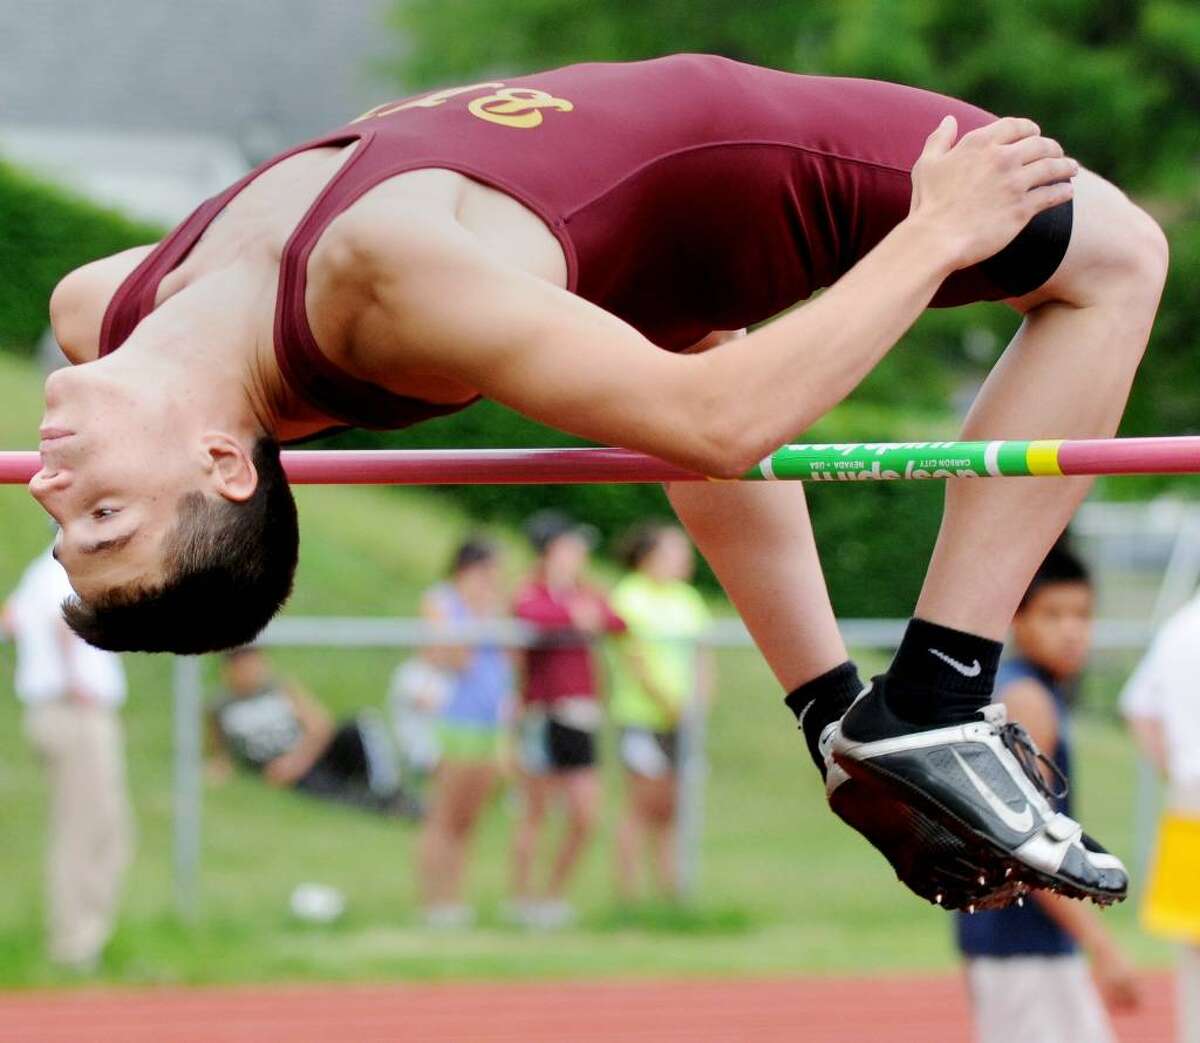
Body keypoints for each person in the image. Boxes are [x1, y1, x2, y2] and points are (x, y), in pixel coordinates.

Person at [34, 55, 1166, 909]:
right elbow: (721, 428)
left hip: (585, 215)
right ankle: (940, 696)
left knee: (680, 347)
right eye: (105, 515)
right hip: (721, 159)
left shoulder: (105, 307)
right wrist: (938, 233)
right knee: (1117, 258)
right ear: (223, 462)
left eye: (69, 527)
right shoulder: (382, 284)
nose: (50, 487)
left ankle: (837, 717)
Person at [955, 542, 1139, 1043]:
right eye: (1052, 614)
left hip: (1015, 939)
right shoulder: (1027, 699)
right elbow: (1025, 839)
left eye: (1082, 614)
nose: (1071, 630)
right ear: (1018, 620)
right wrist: (1105, 948)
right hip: (1023, 943)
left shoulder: (1019, 689)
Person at [3, 545, 131, 971]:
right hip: (75, 711)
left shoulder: (40, 571)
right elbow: (63, 621)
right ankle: (76, 945)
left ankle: (82, 938)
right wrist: (74, 678)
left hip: (60, 709)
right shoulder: (64, 569)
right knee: (87, 829)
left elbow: (12, 620)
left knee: (97, 826)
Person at [509, 511, 624, 927]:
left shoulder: (584, 591)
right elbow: (529, 616)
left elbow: (615, 620)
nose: (579, 555)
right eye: (571, 546)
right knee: (535, 812)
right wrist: (573, 614)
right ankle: (521, 902)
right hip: (545, 713)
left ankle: (552, 896)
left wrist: (582, 611)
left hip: (581, 716)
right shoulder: (533, 591)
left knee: (585, 813)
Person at [412, 536, 514, 928]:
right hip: (450, 718)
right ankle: (433, 900)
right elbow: (449, 655)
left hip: (488, 720)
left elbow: (505, 660)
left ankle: (455, 898)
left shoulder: (494, 608)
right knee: (444, 813)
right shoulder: (441, 600)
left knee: (469, 817)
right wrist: (478, 619)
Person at [609, 523, 713, 902]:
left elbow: (703, 655)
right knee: (641, 805)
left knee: (672, 809)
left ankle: (671, 894)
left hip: (683, 720)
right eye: (674, 551)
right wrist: (669, 703)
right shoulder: (629, 597)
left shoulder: (688, 599)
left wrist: (697, 703)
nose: (684, 559)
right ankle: (629, 896)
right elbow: (633, 657)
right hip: (643, 717)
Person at [1120, 591, 1200, 1043]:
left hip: (1188, 800)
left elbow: (1138, 708)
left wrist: (1176, 771)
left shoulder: (1179, 628)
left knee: (1193, 957)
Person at [208, 646, 411, 816]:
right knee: (330, 791)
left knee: (359, 725)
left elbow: (321, 725)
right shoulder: (220, 706)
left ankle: (391, 791)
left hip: (309, 753)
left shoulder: (280, 689)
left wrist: (296, 762)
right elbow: (221, 753)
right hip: (288, 773)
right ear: (230, 670)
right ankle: (383, 807)